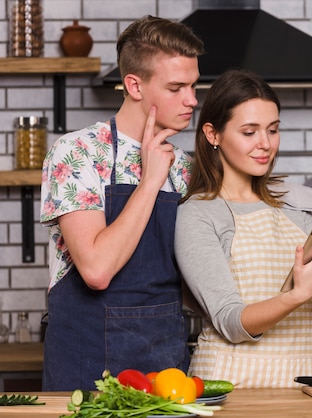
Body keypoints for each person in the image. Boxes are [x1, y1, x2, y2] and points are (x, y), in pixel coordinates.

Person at [39, 15, 204, 391]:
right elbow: (96, 270)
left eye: (194, 85)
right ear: (134, 85)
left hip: (166, 367)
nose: (192, 100)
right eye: (177, 87)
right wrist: (149, 182)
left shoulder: (185, 166)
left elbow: (192, 285)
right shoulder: (77, 152)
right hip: (86, 364)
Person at [175, 69, 312, 388]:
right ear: (212, 134)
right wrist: (295, 294)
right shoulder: (199, 214)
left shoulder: (297, 205)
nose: (265, 144)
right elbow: (230, 321)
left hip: (306, 382)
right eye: (250, 132)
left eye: (272, 130)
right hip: (230, 385)